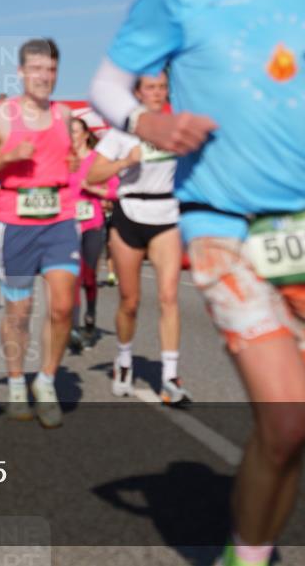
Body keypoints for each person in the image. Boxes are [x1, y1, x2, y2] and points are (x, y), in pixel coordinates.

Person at [88, 0, 305, 563]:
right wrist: (146, 126)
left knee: (292, 431)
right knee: (285, 420)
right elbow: (107, 85)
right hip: (223, 227)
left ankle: (245, 552)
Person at [0, 38, 79, 429]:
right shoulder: (0, 115)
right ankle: (17, 383)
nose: (44, 76)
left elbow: (70, 162)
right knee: (19, 312)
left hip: (60, 219)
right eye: (36, 69)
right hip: (15, 224)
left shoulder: (64, 116)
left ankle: (45, 381)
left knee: (63, 306)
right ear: (21, 72)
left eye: (50, 70)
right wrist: (9, 158)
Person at [87, 73, 188, 404]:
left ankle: (170, 376)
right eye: (150, 88)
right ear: (138, 93)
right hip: (130, 213)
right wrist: (123, 162)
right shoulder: (122, 131)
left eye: (161, 87)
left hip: (167, 215)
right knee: (130, 302)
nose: (157, 93)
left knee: (169, 297)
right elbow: (92, 174)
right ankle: (124, 361)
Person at [68, 117, 118, 352]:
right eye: (69, 131)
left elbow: (115, 190)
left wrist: (94, 189)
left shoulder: (97, 161)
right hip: (66, 225)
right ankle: (73, 327)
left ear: (86, 134)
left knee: (88, 277)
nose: (72, 135)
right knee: (71, 277)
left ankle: (90, 315)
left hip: (92, 224)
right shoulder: (64, 160)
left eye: (76, 131)